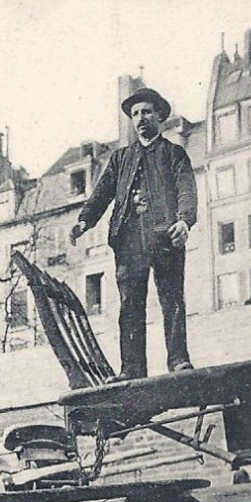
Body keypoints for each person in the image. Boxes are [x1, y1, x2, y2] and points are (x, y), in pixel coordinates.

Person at [70, 87, 197, 379]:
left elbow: (186, 189)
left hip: (165, 237)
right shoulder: (120, 159)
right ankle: (132, 369)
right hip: (129, 241)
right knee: (129, 306)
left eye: (147, 112)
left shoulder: (174, 154)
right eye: (135, 114)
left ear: (160, 117)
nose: (141, 118)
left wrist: (184, 222)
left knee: (172, 299)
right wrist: (84, 221)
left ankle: (178, 361)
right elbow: (101, 194)